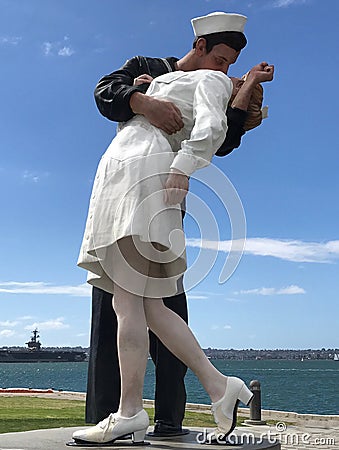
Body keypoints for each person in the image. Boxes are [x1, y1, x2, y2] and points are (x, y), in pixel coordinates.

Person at [73, 13, 274, 444]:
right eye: (218, 58)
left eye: (228, 64)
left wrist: (183, 166)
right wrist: (144, 94)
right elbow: (107, 91)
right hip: (127, 180)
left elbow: (218, 132)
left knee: (128, 303)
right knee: (150, 308)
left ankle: (130, 411)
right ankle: (220, 386)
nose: (223, 69)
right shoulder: (156, 72)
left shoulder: (212, 82)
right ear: (199, 46)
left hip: (142, 180)